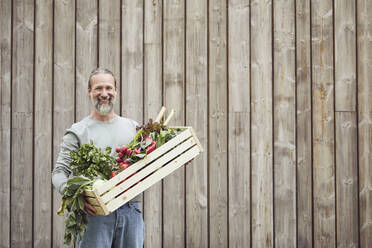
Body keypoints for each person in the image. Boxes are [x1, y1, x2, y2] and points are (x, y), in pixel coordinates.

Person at [52, 68, 144, 248]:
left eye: (109, 88)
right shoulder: (78, 132)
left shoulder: (133, 128)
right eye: (98, 89)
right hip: (94, 215)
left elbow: (153, 161)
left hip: (130, 212)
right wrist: (76, 196)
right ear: (89, 92)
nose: (104, 94)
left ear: (116, 91)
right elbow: (59, 173)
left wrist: (179, 156)